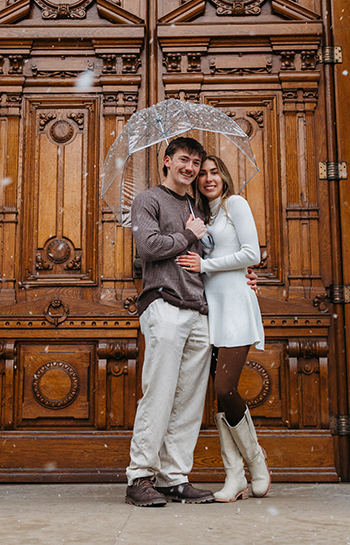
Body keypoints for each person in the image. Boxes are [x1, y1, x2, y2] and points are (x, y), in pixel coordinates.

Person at [125, 136, 216, 507]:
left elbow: (208, 255)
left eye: (196, 163)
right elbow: (148, 247)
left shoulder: (199, 206)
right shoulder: (148, 199)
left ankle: (173, 478)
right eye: (183, 160)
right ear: (166, 161)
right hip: (164, 304)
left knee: (189, 400)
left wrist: (242, 274)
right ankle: (139, 477)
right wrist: (187, 235)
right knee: (159, 392)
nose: (190, 168)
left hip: (198, 308)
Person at [176, 155, 271, 502]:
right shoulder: (201, 216)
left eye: (214, 172)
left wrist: (207, 264)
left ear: (224, 175)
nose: (208, 178)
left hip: (236, 307)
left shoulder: (235, 205)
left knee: (225, 386)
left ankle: (256, 464)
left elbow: (251, 255)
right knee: (218, 393)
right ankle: (235, 476)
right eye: (202, 174)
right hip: (210, 309)